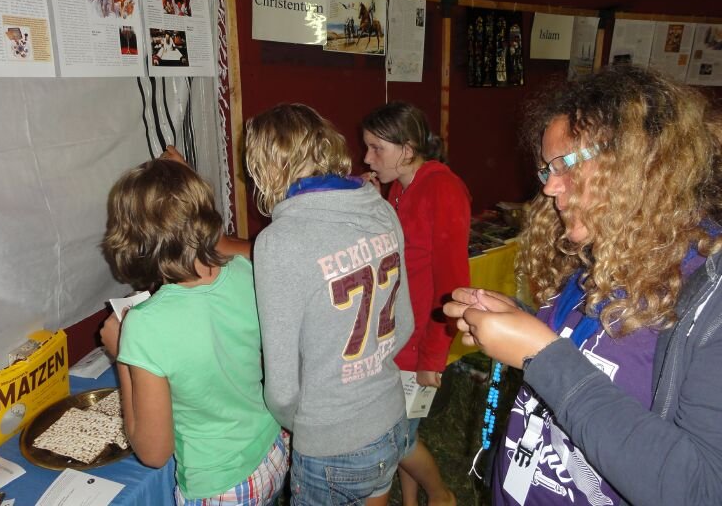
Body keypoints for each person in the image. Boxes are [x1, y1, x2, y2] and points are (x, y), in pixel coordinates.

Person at [445, 66, 722, 505]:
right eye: (547, 169)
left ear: (641, 162)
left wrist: (541, 354)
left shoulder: (711, 299)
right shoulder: (597, 256)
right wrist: (519, 323)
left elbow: (703, 490)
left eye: (566, 164)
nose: (550, 187)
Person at [246, 103, 414, 505]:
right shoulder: (379, 207)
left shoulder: (279, 242)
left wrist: (310, 426)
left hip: (332, 442)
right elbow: (405, 324)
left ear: (267, 165)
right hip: (391, 416)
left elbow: (281, 390)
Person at [99, 158, 286, 505]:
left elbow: (153, 452)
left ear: (135, 240)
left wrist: (121, 356)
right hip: (271, 452)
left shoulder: (144, 325)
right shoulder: (245, 270)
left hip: (219, 485)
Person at [362, 102, 467, 506]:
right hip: (396, 332)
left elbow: (453, 283)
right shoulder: (399, 187)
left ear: (406, 150)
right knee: (408, 430)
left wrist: (433, 357)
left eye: (376, 148)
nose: (367, 158)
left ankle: (442, 496)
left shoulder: (442, 189)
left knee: (397, 437)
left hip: (419, 338)